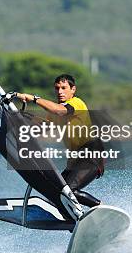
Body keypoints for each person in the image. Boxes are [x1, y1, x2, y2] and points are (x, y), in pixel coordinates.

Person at [16, 74, 103, 208]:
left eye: (64, 88)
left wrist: (34, 99)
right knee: (56, 192)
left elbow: (60, 111)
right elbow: (43, 128)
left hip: (91, 154)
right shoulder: (55, 111)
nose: (60, 92)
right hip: (76, 158)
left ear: (73, 89)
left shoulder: (76, 103)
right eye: (57, 88)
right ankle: (74, 217)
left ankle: (100, 208)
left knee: (70, 192)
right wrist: (20, 116)